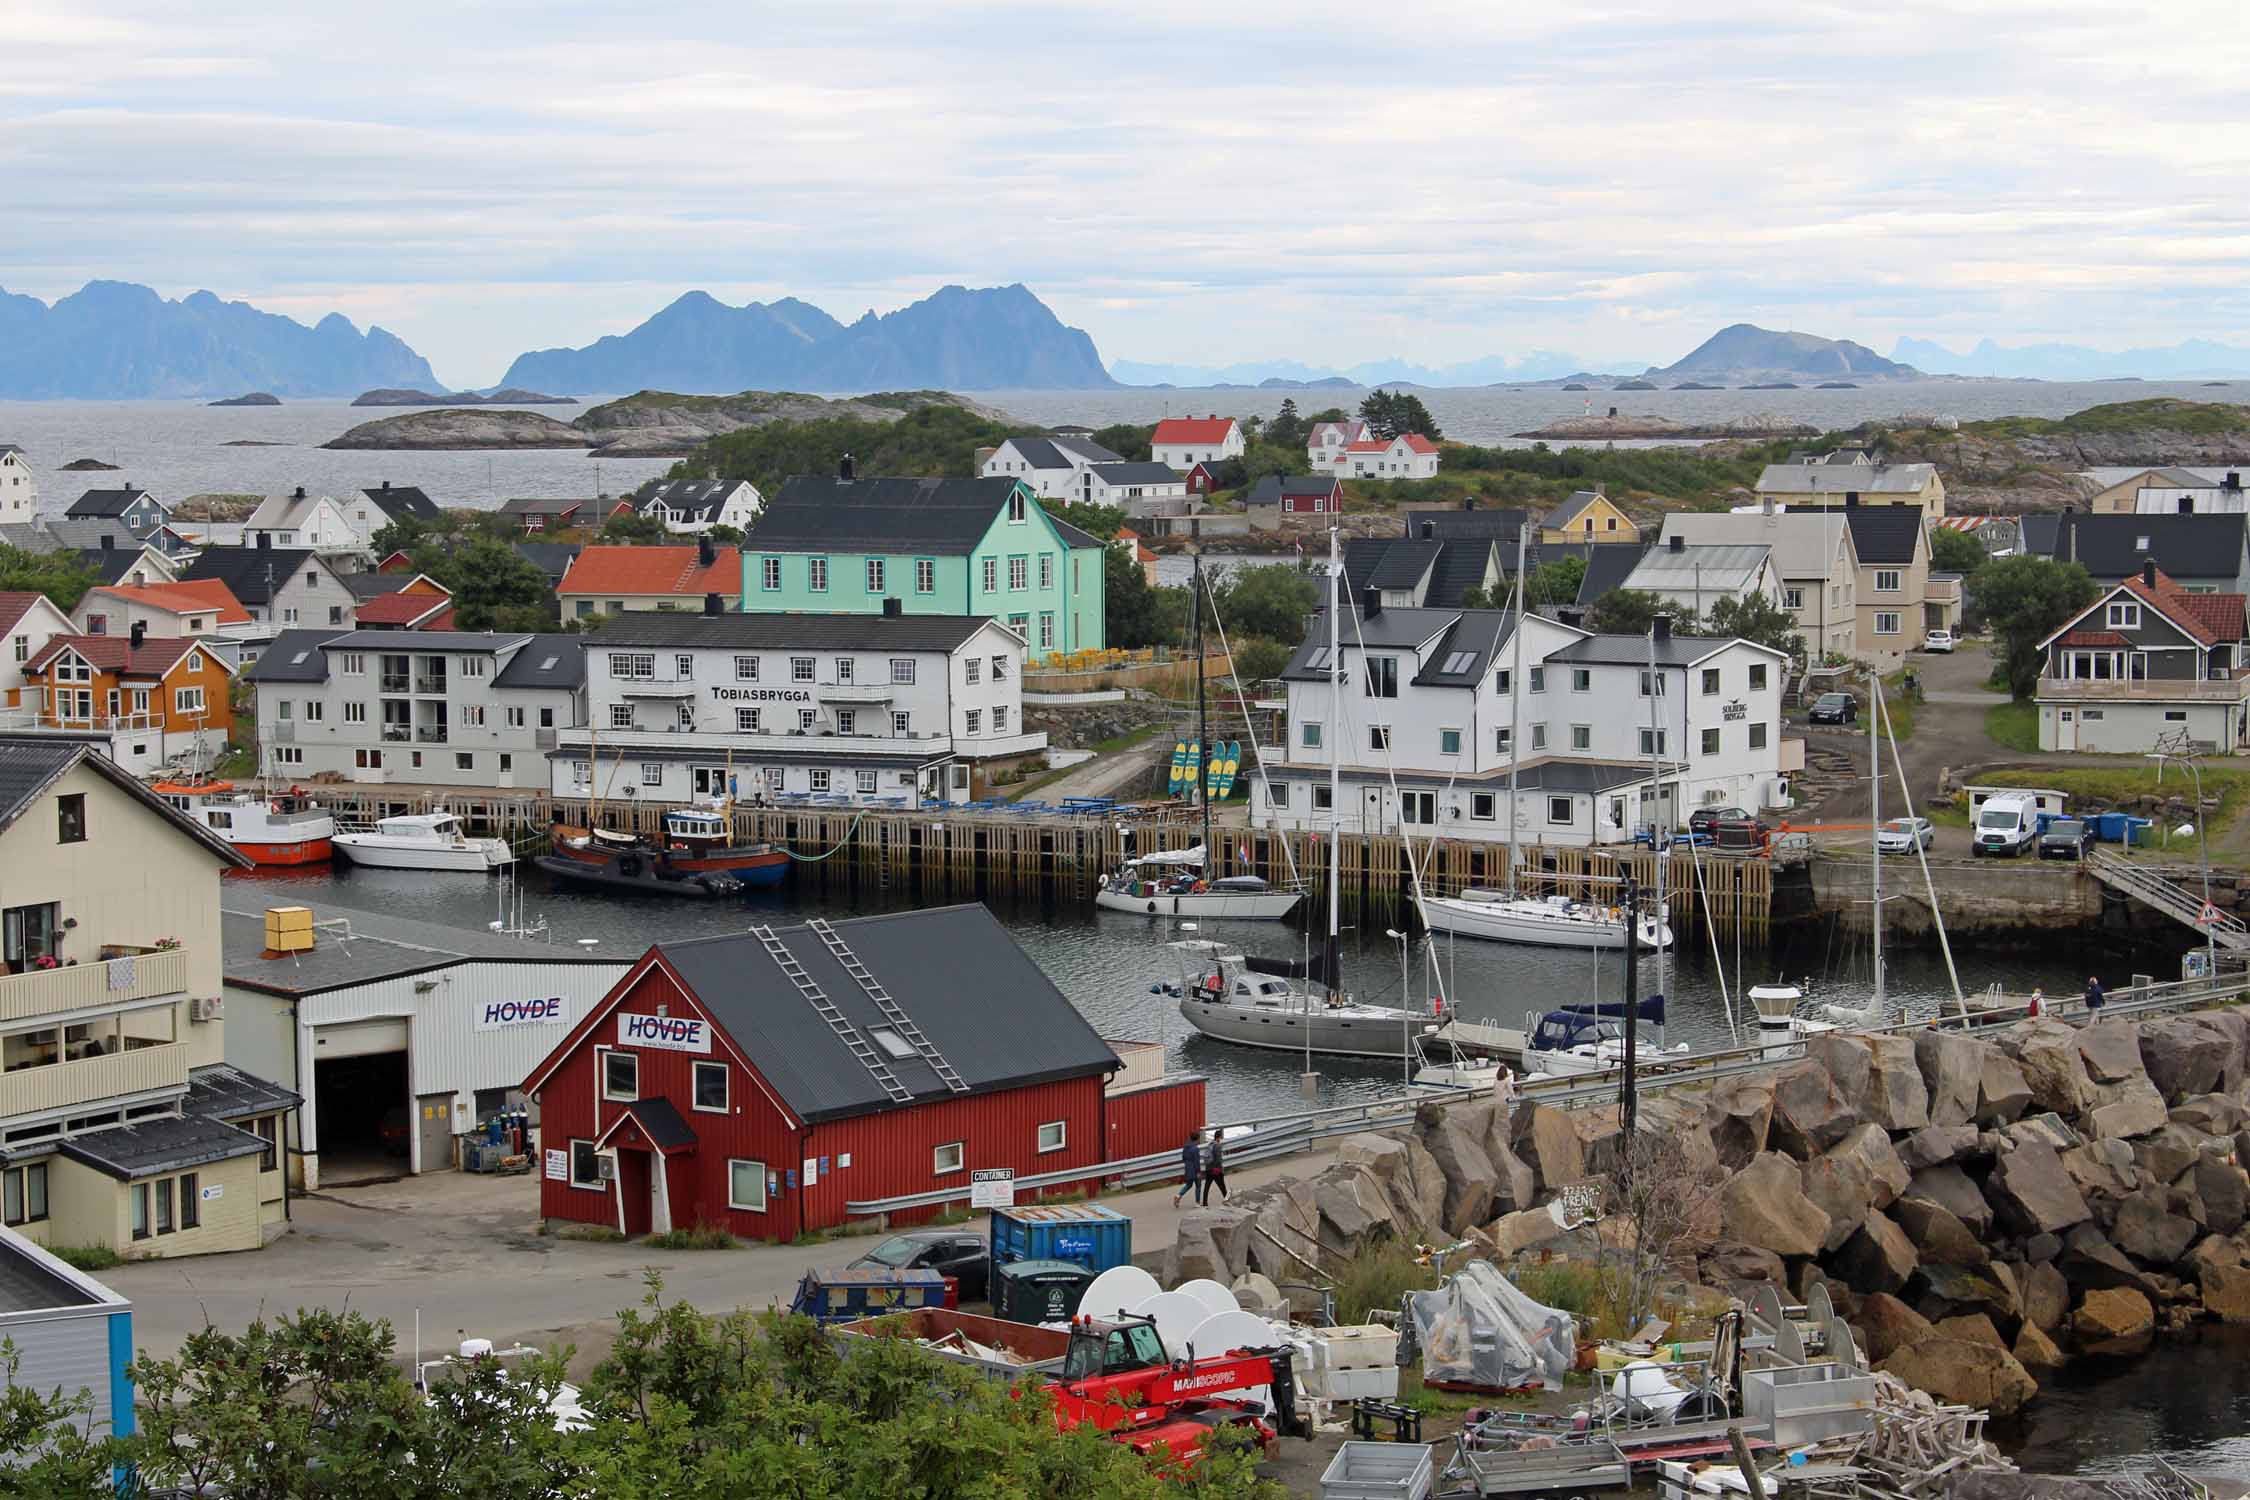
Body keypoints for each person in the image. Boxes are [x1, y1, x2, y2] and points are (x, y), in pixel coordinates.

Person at [1174, 1133, 1203, 1208]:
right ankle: (1197, 1203)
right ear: (1197, 1139)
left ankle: (1178, 1195)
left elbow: (1183, 1158)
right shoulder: (1195, 1148)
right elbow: (1196, 1162)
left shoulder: (1186, 1147)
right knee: (1198, 1185)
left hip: (1188, 1167)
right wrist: (1198, 1172)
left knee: (1189, 1184)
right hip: (1194, 1168)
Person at [1200, 1132, 1229, 1205]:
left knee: (1207, 1186)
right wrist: (1220, 1170)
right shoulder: (1218, 1146)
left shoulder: (1210, 1144)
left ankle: (1204, 1203)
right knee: (1222, 1186)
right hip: (1216, 1170)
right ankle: (1227, 1200)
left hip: (1208, 1168)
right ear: (1219, 1137)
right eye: (1221, 1137)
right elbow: (1218, 1160)